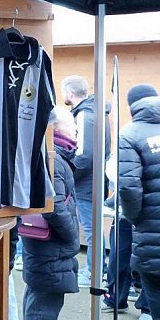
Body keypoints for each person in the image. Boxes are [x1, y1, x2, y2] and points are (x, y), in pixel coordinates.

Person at [22, 107, 80, 320]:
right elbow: (52, 204)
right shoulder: (52, 157)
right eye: (72, 125)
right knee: (43, 300)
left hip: (50, 245)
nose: (77, 130)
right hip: (50, 243)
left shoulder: (57, 155)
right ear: (56, 128)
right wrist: (71, 234)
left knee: (46, 298)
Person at [117, 84, 160, 320]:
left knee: (158, 287)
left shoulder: (131, 133)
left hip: (154, 227)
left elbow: (128, 186)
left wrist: (136, 219)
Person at [61, 75, 111, 287]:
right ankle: (97, 269)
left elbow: (84, 154)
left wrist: (70, 176)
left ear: (70, 94)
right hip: (95, 181)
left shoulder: (84, 115)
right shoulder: (95, 112)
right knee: (93, 228)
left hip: (86, 184)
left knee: (91, 230)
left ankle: (93, 272)